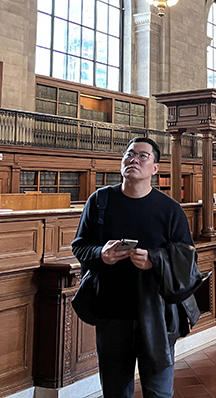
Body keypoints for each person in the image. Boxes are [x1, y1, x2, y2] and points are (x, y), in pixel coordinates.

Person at [71, 138, 195, 398]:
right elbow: (80, 246)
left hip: (157, 315)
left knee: (158, 391)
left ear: (155, 168)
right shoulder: (100, 202)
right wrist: (100, 254)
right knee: (115, 391)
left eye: (142, 156)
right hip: (112, 313)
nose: (134, 160)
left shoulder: (170, 210)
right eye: (129, 154)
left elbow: (187, 261)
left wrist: (155, 260)